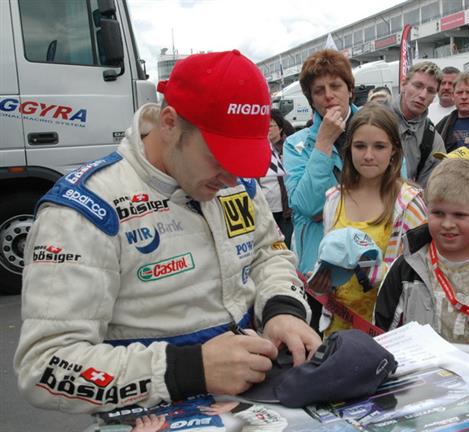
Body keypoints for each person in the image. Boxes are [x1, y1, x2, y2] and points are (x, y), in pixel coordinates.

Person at [13, 51, 320, 414]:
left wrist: (281, 309)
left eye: (243, 160)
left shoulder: (233, 185)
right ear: (170, 123)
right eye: (221, 157)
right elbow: (44, 366)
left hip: (255, 401)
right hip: (151, 414)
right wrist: (189, 369)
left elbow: (268, 254)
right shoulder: (84, 209)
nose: (233, 178)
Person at [374, 157, 469, 349]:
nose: (448, 224)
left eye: (460, 215)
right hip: (424, 376)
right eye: (438, 213)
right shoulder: (406, 268)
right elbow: (382, 335)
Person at [313, 104, 427, 336]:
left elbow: (418, 274)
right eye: (360, 146)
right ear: (349, 148)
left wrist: (371, 270)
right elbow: (327, 257)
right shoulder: (335, 199)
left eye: (379, 146)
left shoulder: (408, 203)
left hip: (387, 333)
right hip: (336, 331)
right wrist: (321, 278)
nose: (368, 155)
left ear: (394, 150)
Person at [284, 49, 357, 277]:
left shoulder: (379, 131)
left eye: (335, 86)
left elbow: (389, 198)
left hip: (368, 263)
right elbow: (309, 206)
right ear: (311, 100)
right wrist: (323, 142)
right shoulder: (295, 144)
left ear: (350, 90)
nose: (328, 95)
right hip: (318, 270)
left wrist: (330, 208)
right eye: (319, 91)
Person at [389, 61, 446, 187]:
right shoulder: (373, 118)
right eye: (418, 86)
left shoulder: (432, 140)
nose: (423, 95)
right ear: (403, 84)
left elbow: (429, 191)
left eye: (430, 91)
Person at [257, 109, 294, 248]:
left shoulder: (288, 147)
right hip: (267, 210)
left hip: (286, 211)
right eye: (264, 126)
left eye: (271, 125)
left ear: (280, 128)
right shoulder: (260, 149)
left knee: (287, 245)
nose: (268, 129)